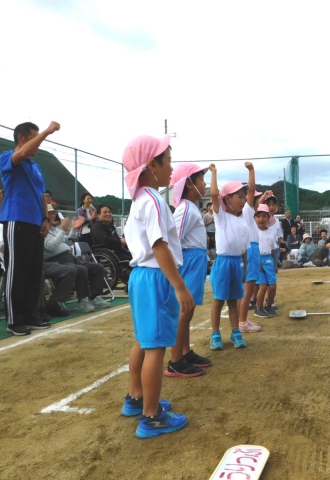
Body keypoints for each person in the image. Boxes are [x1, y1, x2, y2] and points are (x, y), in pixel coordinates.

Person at [120, 134, 190, 438]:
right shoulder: (154, 202)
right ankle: (152, 416)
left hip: (140, 277)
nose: (172, 169)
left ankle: (137, 398)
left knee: (143, 340)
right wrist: (179, 286)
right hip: (157, 277)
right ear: (152, 165)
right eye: (169, 161)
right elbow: (160, 246)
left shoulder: (139, 202)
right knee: (156, 347)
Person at [0, 121, 59, 335]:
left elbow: (42, 195)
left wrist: (45, 219)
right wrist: (47, 131)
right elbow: (22, 153)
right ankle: (14, 320)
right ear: (22, 138)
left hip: (35, 223)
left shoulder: (35, 166)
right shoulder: (7, 157)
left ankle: (31, 314)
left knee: (34, 272)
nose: (39, 144)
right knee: (17, 271)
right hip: (16, 220)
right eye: (35, 138)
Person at [167, 163, 213, 377]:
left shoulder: (192, 207)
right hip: (189, 260)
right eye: (201, 179)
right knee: (184, 310)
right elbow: (173, 239)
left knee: (189, 310)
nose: (204, 183)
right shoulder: (185, 208)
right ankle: (175, 360)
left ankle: (184, 352)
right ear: (188, 184)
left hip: (196, 259)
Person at [208, 163, 250, 350]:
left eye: (244, 197)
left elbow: (244, 250)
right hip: (223, 263)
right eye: (239, 197)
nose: (243, 200)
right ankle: (215, 334)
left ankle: (235, 332)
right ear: (228, 199)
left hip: (237, 264)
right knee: (218, 300)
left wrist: (245, 268)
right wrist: (214, 173)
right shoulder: (221, 216)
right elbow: (214, 195)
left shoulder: (242, 222)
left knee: (233, 301)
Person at [44, 204, 110, 313]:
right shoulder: (43, 229)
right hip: (57, 260)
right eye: (49, 213)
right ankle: (82, 300)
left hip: (69, 257)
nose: (52, 215)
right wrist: (62, 230)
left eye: (53, 213)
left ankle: (94, 297)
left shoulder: (53, 229)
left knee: (97, 267)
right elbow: (51, 246)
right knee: (80, 269)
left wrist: (74, 229)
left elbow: (69, 239)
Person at [238, 186, 267, 332]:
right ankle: (242, 321)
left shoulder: (247, 213)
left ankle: (242, 318)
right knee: (247, 290)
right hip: (251, 249)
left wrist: (262, 197)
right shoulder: (247, 211)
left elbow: (254, 204)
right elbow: (251, 201)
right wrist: (251, 171)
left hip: (250, 249)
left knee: (246, 289)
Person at [253, 204, 278, 317]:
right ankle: (259, 308)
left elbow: (273, 249)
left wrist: (275, 264)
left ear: (268, 218)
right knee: (262, 286)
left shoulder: (271, 232)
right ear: (254, 218)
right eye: (258, 216)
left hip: (268, 260)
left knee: (272, 286)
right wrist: (255, 262)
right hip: (257, 260)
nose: (261, 219)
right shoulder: (253, 232)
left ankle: (269, 305)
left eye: (264, 216)